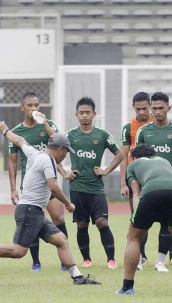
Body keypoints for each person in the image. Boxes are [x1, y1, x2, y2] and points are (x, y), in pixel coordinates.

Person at [0, 121, 101, 286]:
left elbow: (20, 141)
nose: (65, 157)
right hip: (29, 210)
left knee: (61, 240)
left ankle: (77, 277)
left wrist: (5, 131)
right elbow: (54, 187)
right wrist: (68, 204)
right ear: (60, 150)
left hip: (35, 211)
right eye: (66, 153)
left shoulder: (36, 153)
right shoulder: (48, 161)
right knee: (19, 251)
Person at [115, 144, 172, 295]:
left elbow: (136, 192)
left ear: (135, 156)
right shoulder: (164, 161)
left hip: (151, 193)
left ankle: (127, 287)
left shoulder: (133, 164)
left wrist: (135, 217)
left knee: (133, 238)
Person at [61, 97, 124, 269]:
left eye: (88, 112)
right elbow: (53, 155)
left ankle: (111, 259)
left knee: (102, 222)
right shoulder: (70, 136)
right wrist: (64, 173)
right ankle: (86, 259)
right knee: (82, 224)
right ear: (76, 115)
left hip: (96, 188)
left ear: (94, 114)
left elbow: (119, 154)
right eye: (81, 113)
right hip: (77, 188)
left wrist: (106, 171)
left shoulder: (102, 135)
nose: (84, 116)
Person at [8, 92, 68, 272]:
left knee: (58, 217)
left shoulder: (48, 125)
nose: (34, 109)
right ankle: (36, 261)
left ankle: (65, 259)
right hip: (31, 183)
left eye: (36, 105)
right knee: (32, 220)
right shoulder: (17, 131)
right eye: (30, 105)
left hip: (49, 180)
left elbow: (60, 143)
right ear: (22, 108)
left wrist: (45, 124)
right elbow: (12, 162)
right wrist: (13, 189)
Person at [136, 92, 172, 272]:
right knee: (142, 222)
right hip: (149, 186)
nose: (157, 112)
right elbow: (138, 159)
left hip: (170, 185)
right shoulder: (143, 131)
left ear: (168, 108)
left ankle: (160, 262)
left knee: (167, 224)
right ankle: (139, 259)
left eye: (161, 108)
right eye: (154, 108)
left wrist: (171, 179)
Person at [119, 92, 154, 270]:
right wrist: (123, 182)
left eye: (144, 108)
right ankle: (141, 254)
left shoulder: (158, 123)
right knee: (138, 217)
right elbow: (124, 156)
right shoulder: (128, 128)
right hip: (135, 178)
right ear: (133, 107)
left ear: (150, 106)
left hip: (153, 177)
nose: (141, 112)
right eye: (138, 109)